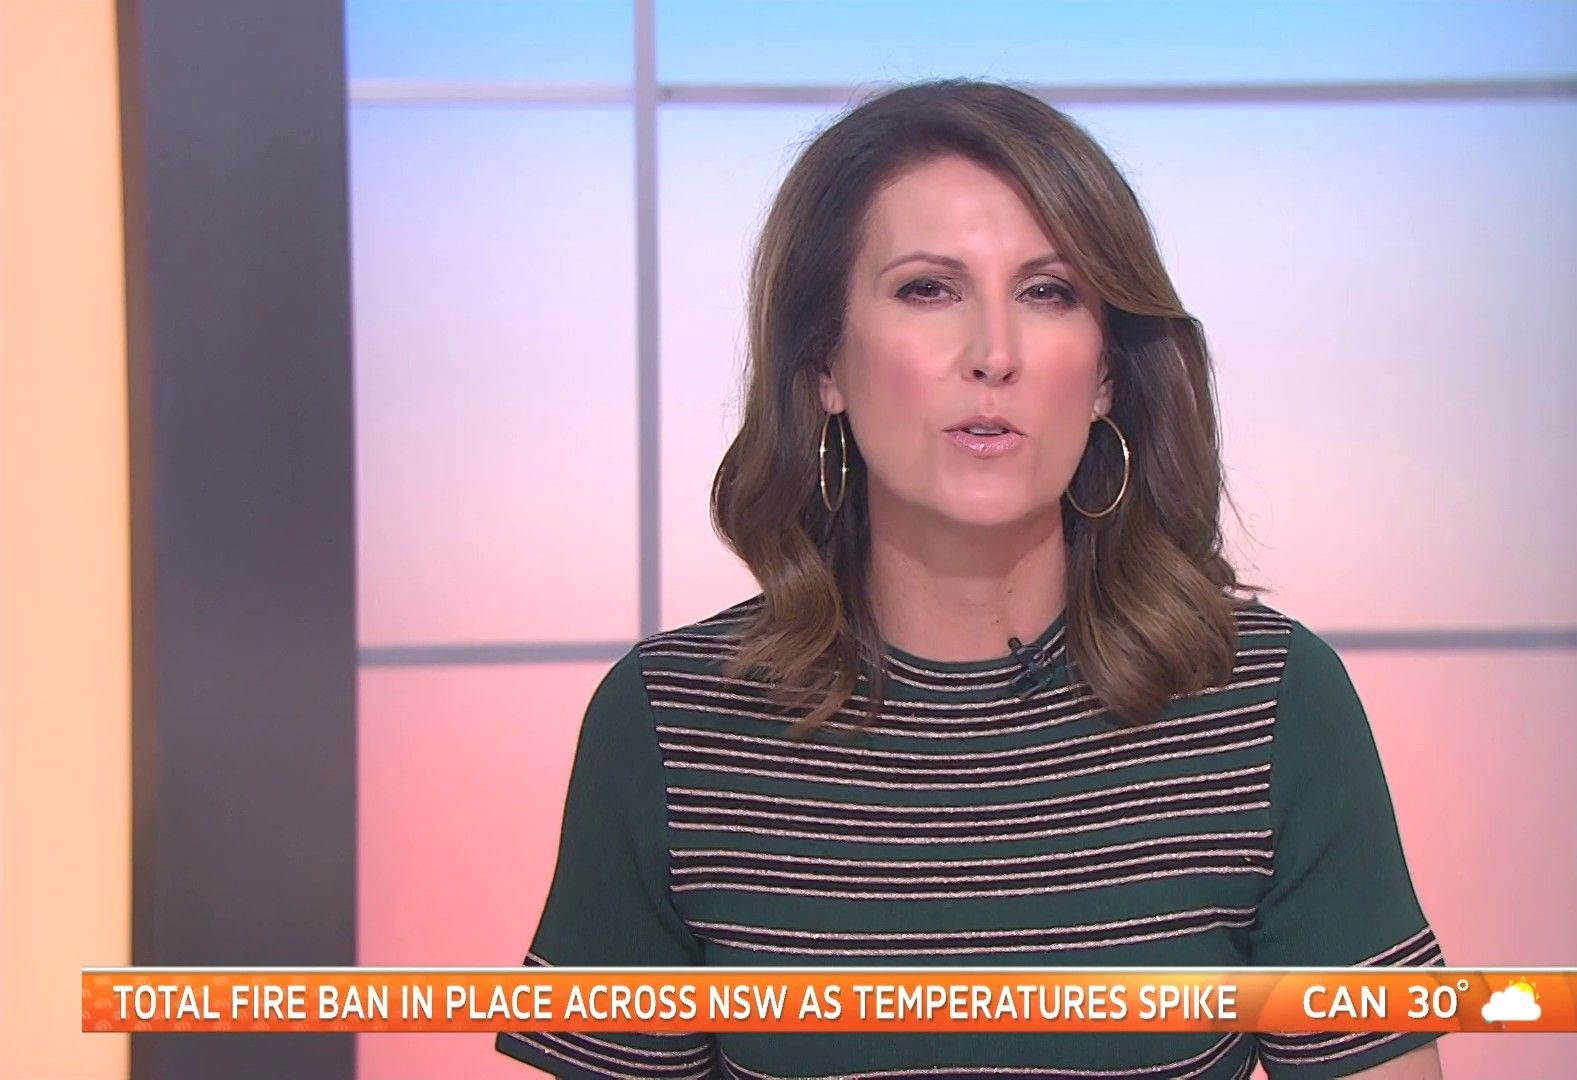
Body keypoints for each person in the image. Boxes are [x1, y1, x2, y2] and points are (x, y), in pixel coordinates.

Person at [497, 77, 1445, 1079]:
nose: (993, 354)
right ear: (826, 365)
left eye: (1048, 293)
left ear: (1107, 372)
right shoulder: (672, 725)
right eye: (928, 290)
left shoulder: (1265, 703)